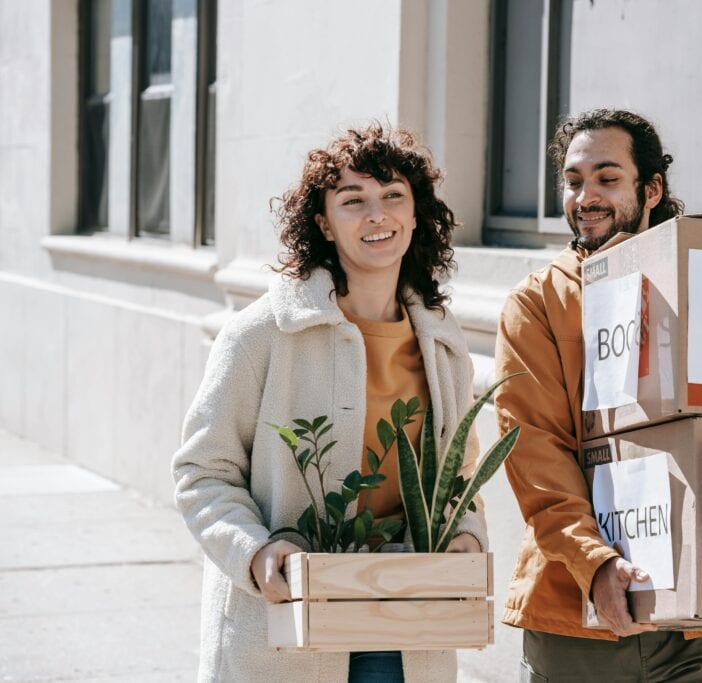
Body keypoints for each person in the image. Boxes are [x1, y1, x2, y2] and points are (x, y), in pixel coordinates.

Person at [494, 108, 702, 682]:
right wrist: (597, 564)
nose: (586, 196)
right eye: (573, 180)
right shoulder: (537, 302)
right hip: (577, 618)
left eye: (607, 178)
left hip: (691, 626)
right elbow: (535, 452)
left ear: (651, 188)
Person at [172, 123, 485, 683]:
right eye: (352, 200)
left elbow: (460, 476)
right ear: (323, 222)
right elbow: (203, 472)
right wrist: (255, 552)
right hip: (287, 624)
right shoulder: (262, 334)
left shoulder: (442, 341)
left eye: (393, 196)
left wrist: (465, 538)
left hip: (408, 618)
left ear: (417, 215)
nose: (376, 215)